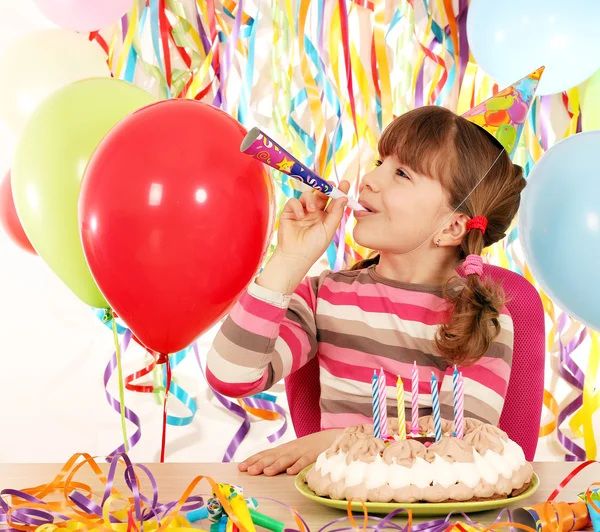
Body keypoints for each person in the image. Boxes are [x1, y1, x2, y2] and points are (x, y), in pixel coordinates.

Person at [206, 68, 542, 476]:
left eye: (401, 174)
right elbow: (230, 377)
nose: (370, 179)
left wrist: (338, 441)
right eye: (383, 162)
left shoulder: (482, 314)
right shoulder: (324, 298)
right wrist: (289, 261)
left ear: (452, 226)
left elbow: (465, 451)